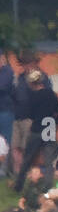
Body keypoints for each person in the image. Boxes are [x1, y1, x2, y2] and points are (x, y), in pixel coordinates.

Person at [13, 69, 58, 194]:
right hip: (49, 127)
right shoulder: (51, 94)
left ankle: (18, 186)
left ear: (32, 83)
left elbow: (29, 113)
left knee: (27, 159)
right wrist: (56, 123)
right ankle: (47, 187)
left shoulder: (32, 96)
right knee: (49, 161)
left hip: (36, 129)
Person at [0, 49, 14, 177]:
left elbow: (2, 86)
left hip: (5, 111)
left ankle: (4, 170)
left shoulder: (7, 71)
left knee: (6, 141)